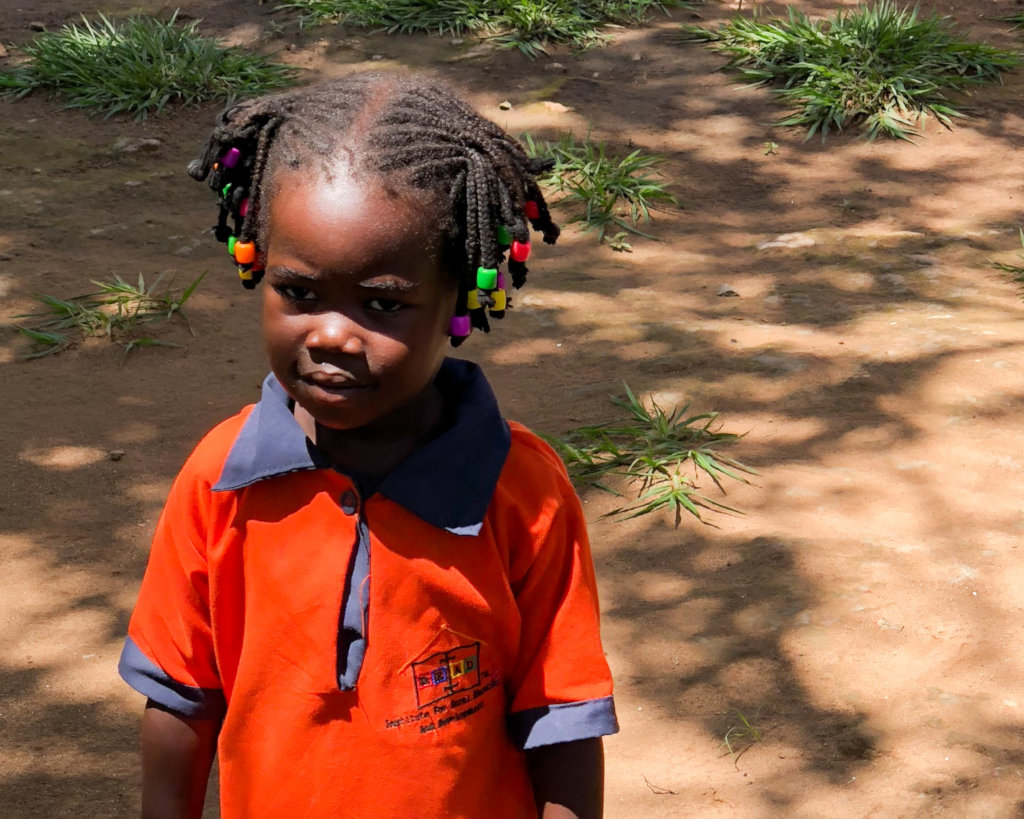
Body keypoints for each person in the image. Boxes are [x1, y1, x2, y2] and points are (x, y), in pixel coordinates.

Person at [118, 71, 618, 819]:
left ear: (459, 297)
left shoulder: (522, 492)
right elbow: (179, 697)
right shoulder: (221, 478)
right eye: (299, 293)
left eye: (382, 304)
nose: (331, 336)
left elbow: (563, 724)